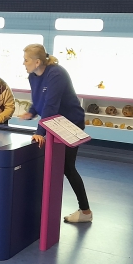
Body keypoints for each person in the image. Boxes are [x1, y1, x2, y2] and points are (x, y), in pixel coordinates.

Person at [18, 43, 92, 223]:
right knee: (53, 166)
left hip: (71, 124)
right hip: (54, 124)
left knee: (67, 167)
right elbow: (39, 99)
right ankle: (44, 210)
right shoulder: (33, 76)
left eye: (26, 60)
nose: (23, 63)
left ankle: (85, 211)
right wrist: (31, 112)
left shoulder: (56, 74)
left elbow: (51, 105)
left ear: (37, 62)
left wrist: (40, 132)